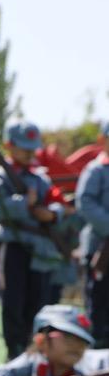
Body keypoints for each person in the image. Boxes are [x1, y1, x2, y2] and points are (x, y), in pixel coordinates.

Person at [0, 121, 71, 359]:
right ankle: (14, 353)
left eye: (32, 149)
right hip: (13, 245)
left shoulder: (40, 177)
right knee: (13, 302)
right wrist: (26, 203)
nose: (29, 153)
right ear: (8, 146)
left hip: (39, 250)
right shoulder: (1, 175)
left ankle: (34, 352)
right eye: (24, 148)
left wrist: (52, 213)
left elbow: (58, 202)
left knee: (37, 302)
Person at [76, 121, 109, 348]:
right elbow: (84, 202)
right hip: (101, 248)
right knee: (97, 302)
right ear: (102, 141)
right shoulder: (95, 170)